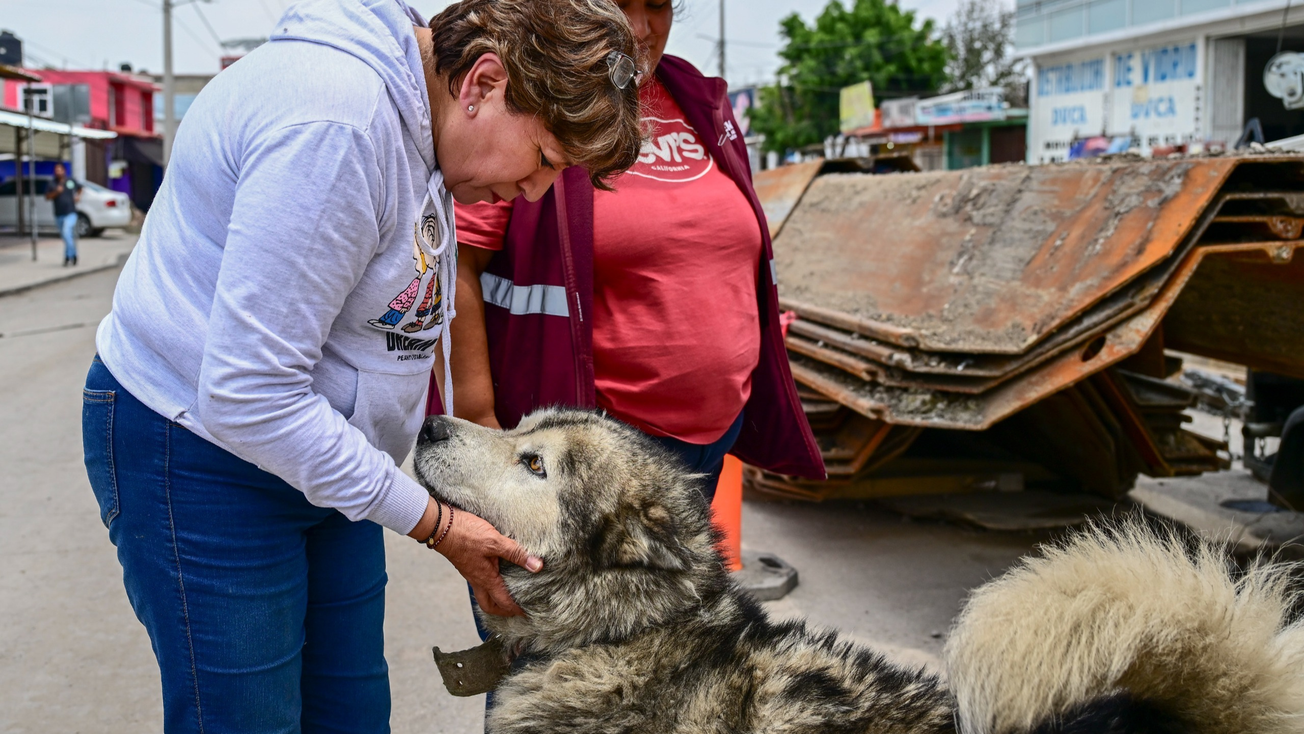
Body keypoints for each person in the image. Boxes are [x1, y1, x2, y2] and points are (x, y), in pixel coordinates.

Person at [81, 0, 641, 731]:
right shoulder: (337, 129)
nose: (535, 191)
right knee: (247, 718)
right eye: (542, 160)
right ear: (484, 82)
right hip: (201, 452)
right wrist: (436, 524)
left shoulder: (429, 118)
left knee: (351, 713)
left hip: (319, 452)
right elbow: (249, 394)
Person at [450, 0, 826, 497]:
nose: (641, 28)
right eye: (621, 3)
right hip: (591, 453)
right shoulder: (543, 96)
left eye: (657, 5)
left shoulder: (700, 99)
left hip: (712, 440)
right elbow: (457, 260)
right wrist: (478, 418)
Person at [45, 162, 80, 266]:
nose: (58, 172)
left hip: (71, 212)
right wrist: (57, 192)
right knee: (66, 237)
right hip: (59, 214)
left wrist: (78, 196)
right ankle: (73, 254)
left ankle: (67, 257)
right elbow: (47, 197)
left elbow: (80, 188)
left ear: (64, 171)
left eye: (60, 170)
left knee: (66, 232)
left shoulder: (70, 181)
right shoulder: (52, 183)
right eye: (57, 170)